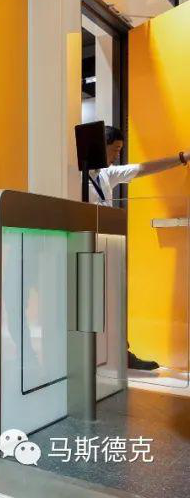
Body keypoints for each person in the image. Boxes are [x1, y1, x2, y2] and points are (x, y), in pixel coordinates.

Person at [91, 126, 188, 371]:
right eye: (115, 150)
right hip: (84, 250)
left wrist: (181, 158)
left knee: (113, 302)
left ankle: (119, 353)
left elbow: (142, 169)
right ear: (101, 146)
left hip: (107, 247)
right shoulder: (74, 175)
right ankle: (96, 355)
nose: (117, 156)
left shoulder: (106, 174)